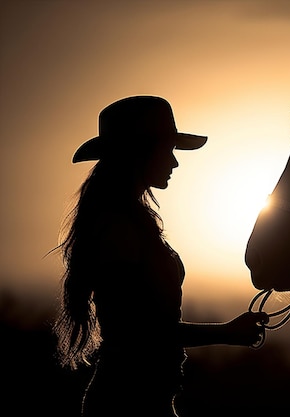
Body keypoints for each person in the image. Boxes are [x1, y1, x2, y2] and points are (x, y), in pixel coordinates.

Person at [52, 95, 269, 417]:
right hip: (129, 404)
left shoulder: (124, 221)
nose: (174, 162)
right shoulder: (117, 227)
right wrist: (225, 333)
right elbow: (139, 331)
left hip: (138, 398)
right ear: (139, 153)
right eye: (168, 150)